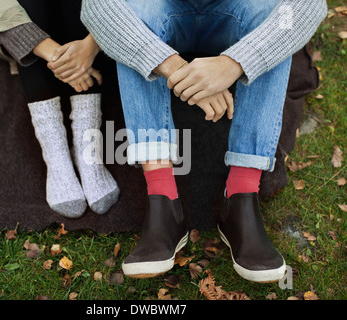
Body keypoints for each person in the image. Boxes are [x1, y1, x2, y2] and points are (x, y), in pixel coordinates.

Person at [76, 0, 327, 282]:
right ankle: (164, 202)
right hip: (160, 11)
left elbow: (307, 5)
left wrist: (235, 64)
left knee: (280, 19)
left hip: (241, 11)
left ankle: (241, 197)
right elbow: (97, 6)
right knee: (129, 20)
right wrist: (175, 68)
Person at [0, 0, 120, 218]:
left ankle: (87, 147)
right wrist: (59, 58)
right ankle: (56, 153)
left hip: (91, 32)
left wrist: (90, 47)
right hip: (26, 30)